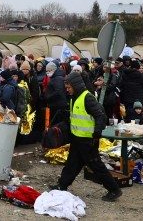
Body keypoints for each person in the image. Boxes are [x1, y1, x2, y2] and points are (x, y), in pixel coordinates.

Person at [53, 72, 122, 201]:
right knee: (72, 164)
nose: (67, 90)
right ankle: (62, 185)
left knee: (96, 165)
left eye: (69, 87)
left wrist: (96, 133)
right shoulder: (74, 98)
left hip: (88, 140)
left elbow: (100, 116)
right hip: (77, 138)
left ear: (75, 85)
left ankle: (114, 190)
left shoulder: (87, 98)